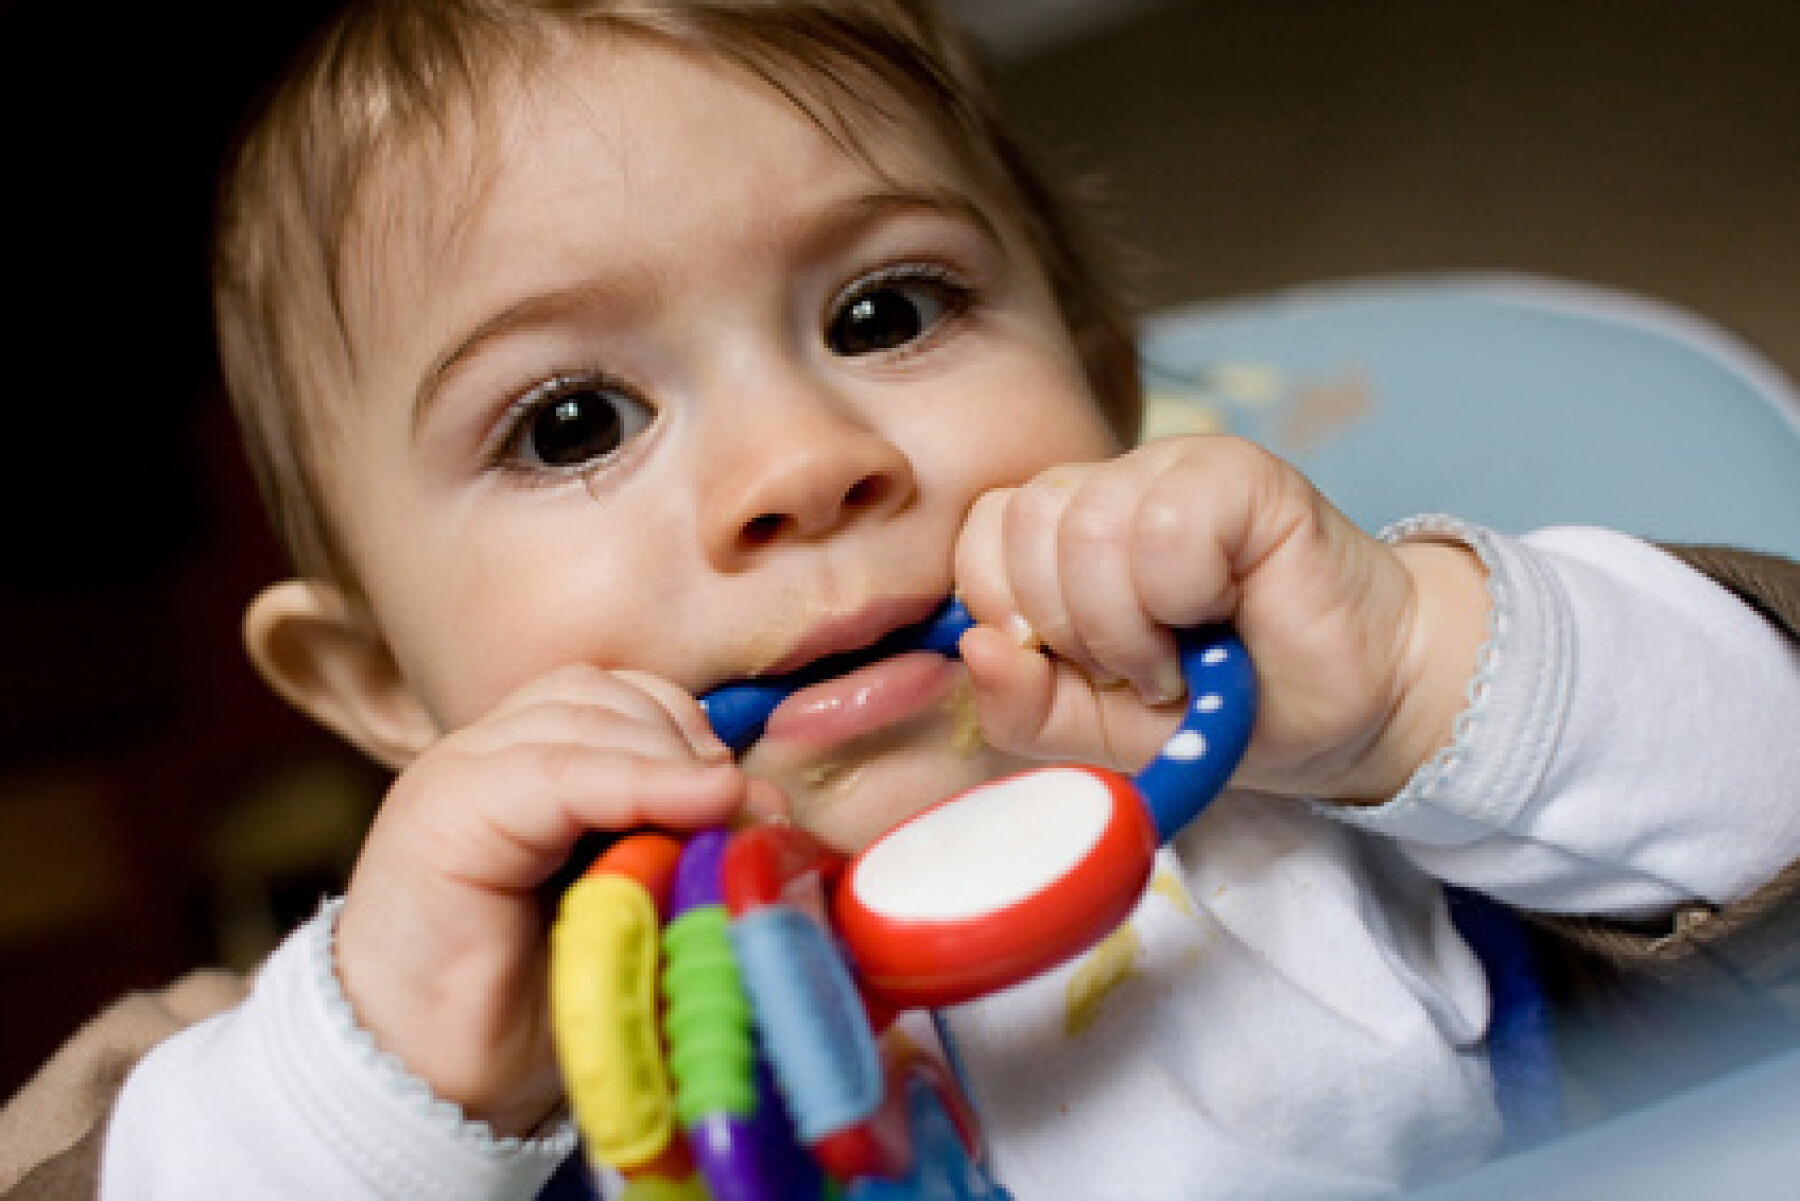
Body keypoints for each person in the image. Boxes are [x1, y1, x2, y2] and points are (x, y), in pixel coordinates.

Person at [7, 1, 1800, 1197]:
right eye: (571, 423)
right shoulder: (356, 1066)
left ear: (1103, 389)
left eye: (888, 311)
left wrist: (1425, 674)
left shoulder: (1349, 802)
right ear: (379, 681)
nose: (801, 462)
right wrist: (368, 1083)